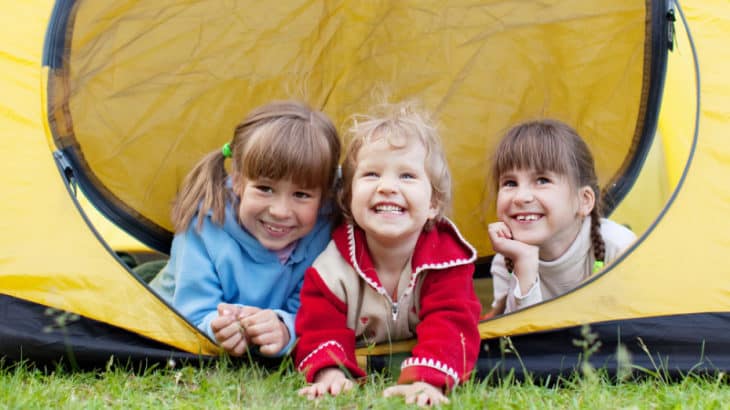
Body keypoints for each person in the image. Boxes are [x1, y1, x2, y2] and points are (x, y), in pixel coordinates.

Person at [294, 101, 482, 407]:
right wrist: (330, 372)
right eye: (371, 174)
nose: (387, 187)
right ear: (349, 197)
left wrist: (427, 380)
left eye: (407, 176)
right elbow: (318, 327)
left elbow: (452, 323)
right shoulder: (332, 267)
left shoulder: (446, 259)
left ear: (433, 202)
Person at [151, 100, 341, 358]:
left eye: (301, 194)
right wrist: (219, 331)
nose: (280, 211)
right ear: (239, 181)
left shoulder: (325, 231)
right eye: (265, 189)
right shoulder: (203, 226)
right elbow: (191, 313)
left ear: (323, 195)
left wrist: (285, 328)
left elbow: (312, 309)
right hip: (174, 304)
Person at [487, 119, 636, 315]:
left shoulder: (618, 248)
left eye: (542, 180)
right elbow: (520, 341)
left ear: (584, 200)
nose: (521, 197)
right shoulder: (505, 260)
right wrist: (525, 264)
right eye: (510, 183)